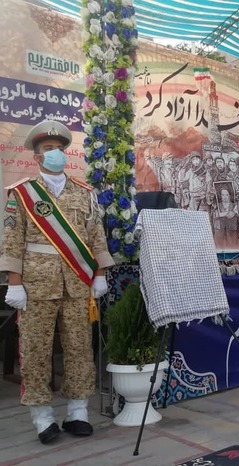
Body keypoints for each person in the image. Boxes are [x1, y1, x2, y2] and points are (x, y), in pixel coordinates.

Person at [0, 120, 115, 444]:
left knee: (79, 347)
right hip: (36, 284)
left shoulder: (84, 193)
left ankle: (77, 412)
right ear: (37, 157)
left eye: (60, 149)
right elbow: (12, 240)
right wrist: (14, 282)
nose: (56, 154)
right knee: (35, 349)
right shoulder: (22, 193)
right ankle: (42, 416)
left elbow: (96, 236)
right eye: (48, 149)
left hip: (78, 283)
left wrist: (100, 274)